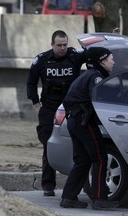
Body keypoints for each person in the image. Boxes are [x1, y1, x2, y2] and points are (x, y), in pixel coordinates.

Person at [26, 30, 95, 197]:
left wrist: (111, 38)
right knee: (49, 144)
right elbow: (31, 82)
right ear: (52, 45)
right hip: (49, 108)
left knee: (79, 145)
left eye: (65, 44)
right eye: (59, 45)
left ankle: (79, 185)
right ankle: (48, 185)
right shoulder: (42, 60)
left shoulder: (74, 56)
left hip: (71, 107)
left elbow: (94, 53)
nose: (63, 48)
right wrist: (36, 103)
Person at [60, 47, 118, 209]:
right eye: (110, 59)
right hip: (84, 122)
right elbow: (99, 102)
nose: (113, 62)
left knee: (82, 160)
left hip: (74, 121)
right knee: (100, 157)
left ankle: (68, 197)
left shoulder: (86, 75)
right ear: (101, 61)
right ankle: (100, 199)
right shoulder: (96, 78)